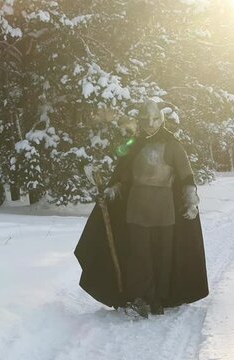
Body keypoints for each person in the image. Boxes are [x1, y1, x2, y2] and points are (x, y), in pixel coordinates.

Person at [75, 100, 209, 317]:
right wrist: (111, 192)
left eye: (154, 119)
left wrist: (190, 200)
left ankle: (160, 299)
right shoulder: (134, 144)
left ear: (161, 119)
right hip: (136, 207)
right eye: (145, 120)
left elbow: (186, 176)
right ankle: (141, 299)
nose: (150, 124)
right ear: (140, 120)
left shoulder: (173, 145)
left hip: (165, 208)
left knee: (163, 255)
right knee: (139, 256)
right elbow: (124, 176)